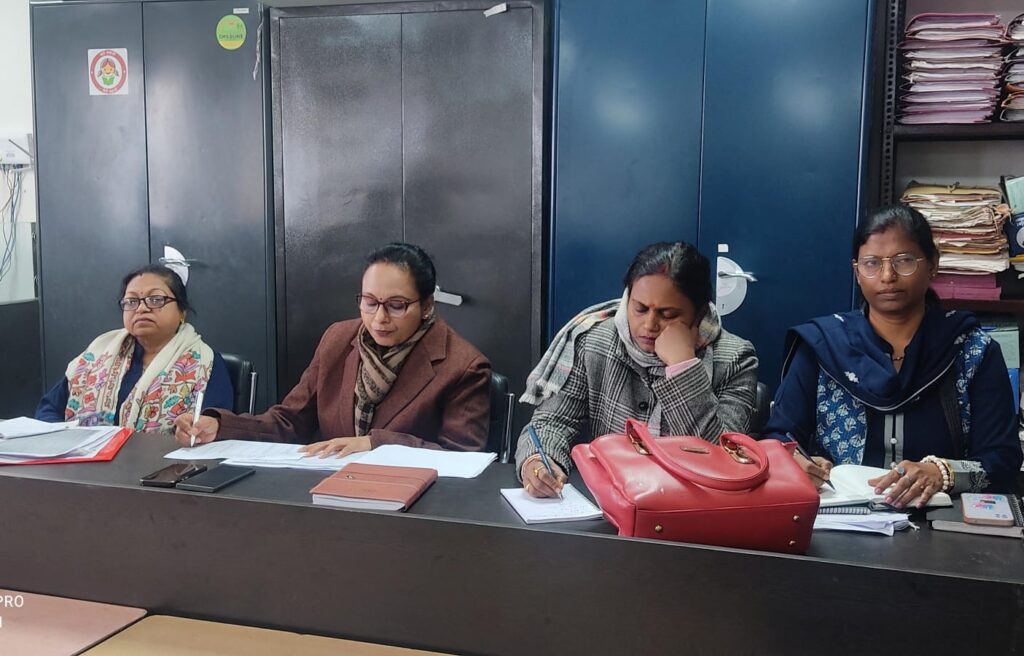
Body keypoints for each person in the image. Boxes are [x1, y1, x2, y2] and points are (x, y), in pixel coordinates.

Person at [764, 205, 1023, 506]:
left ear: (933, 264)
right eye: (872, 263)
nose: (887, 276)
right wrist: (797, 462)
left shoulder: (972, 351)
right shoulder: (822, 347)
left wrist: (943, 473)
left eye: (904, 261)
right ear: (857, 272)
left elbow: (1002, 460)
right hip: (840, 516)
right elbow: (779, 439)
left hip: (942, 519)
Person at [174, 242, 491, 456]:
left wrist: (374, 444)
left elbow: (460, 458)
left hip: (416, 509)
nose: (379, 318)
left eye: (396, 305)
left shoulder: (463, 366)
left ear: (427, 306)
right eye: (370, 302)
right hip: (333, 494)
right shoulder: (338, 339)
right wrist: (221, 426)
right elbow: (290, 421)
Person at [517, 241, 759, 497]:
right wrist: (538, 461)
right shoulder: (594, 342)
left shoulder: (735, 358)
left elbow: (722, 459)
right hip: (612, 500)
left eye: (668, 314)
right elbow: (553, 422)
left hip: (693, 503)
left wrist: (683, 368)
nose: (649, 325)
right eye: (640, 309)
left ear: (698, 315)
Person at [35, 264, 233, 431]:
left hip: (165, 462)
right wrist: (64, 442)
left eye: (156, 300)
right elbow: (49, 409)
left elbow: (211, 427)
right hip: (86, 460)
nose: (141, 308)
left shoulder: (205, 363)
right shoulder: (99, 353)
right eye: (131, 301)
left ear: (182, 311)